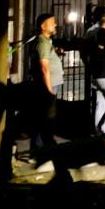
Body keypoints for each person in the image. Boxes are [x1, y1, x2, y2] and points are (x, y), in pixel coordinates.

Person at [30, 13, 63, 151]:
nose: (55, 24)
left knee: (44, 118)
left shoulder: (47, 41)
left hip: (51, 84)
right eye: (52, 22)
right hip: (48, 85)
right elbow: (44, 68)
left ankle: (40, 148)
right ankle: (39, 149)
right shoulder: (43, 42)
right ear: (43, 26)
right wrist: (49, 90)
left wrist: (56, 52)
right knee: (45, 118)